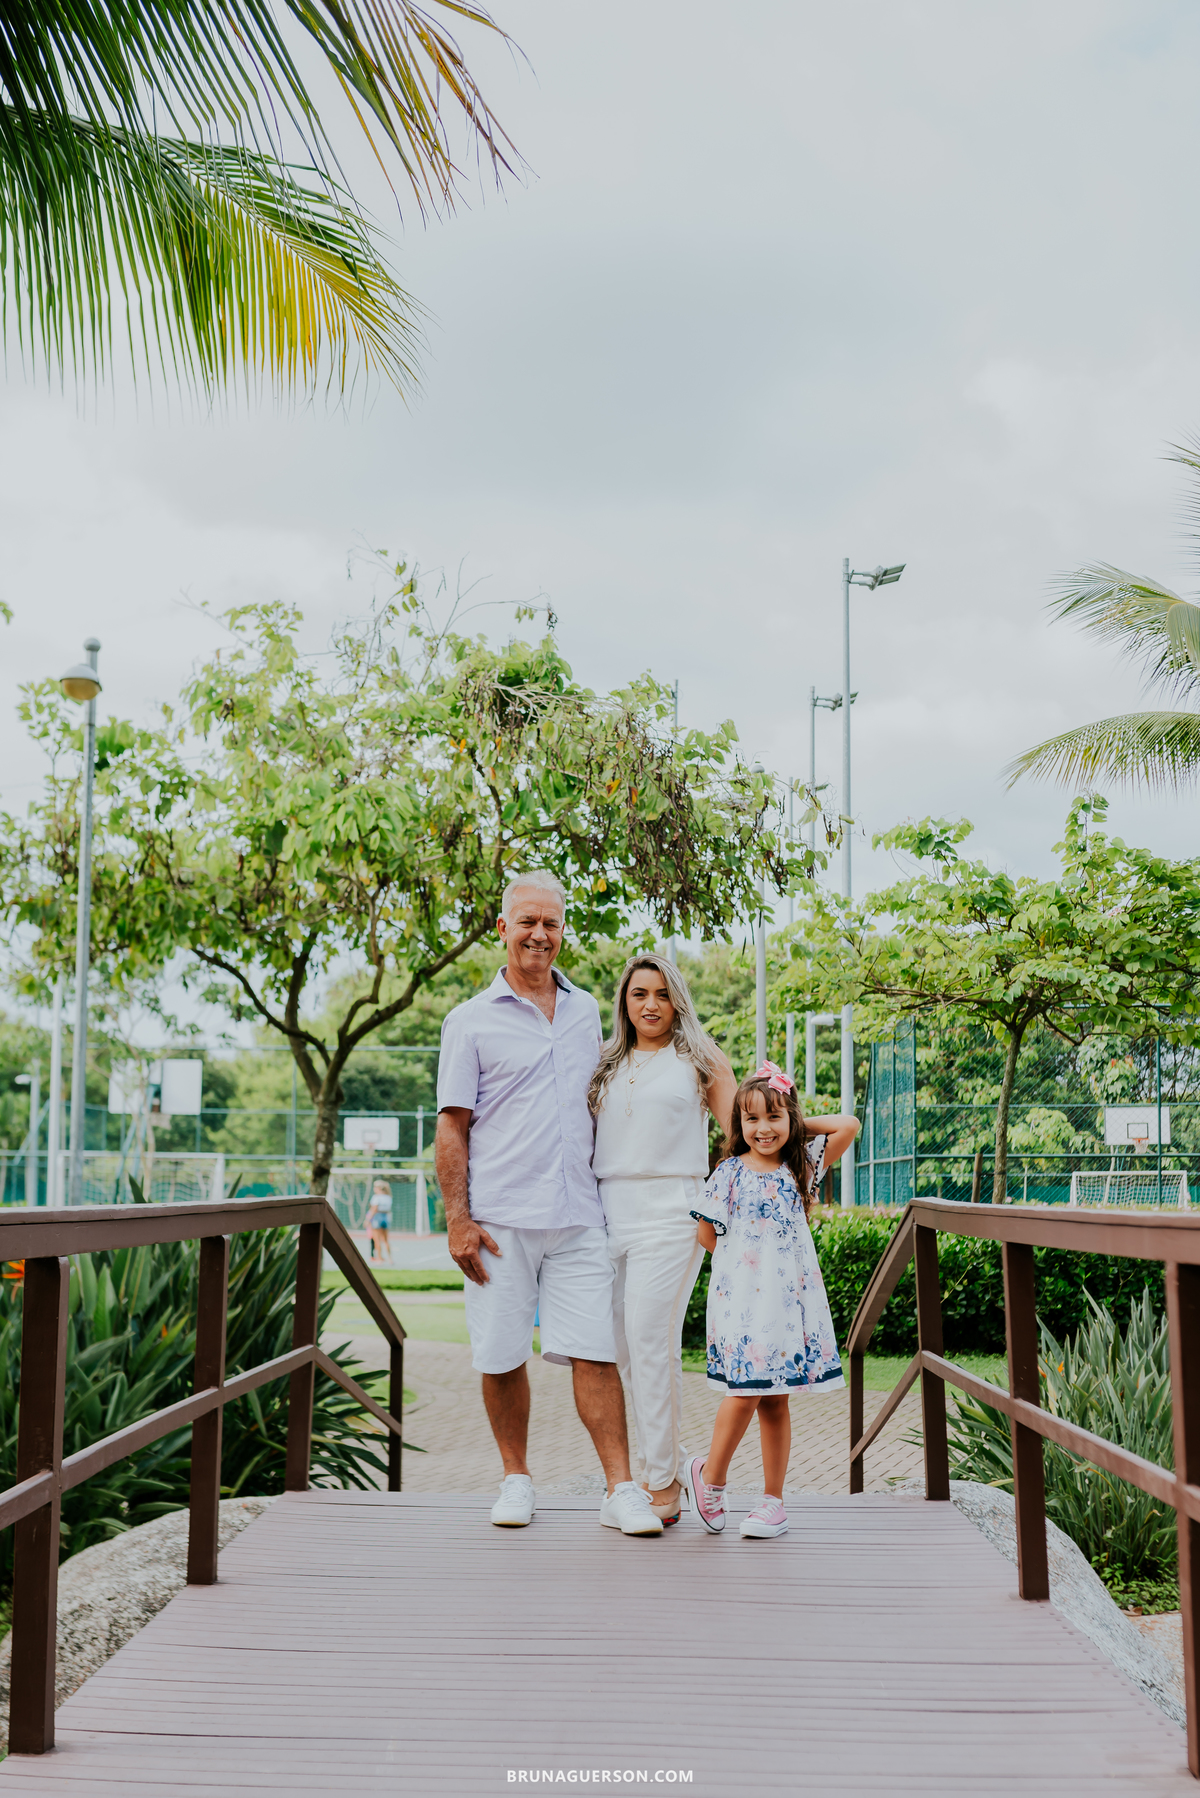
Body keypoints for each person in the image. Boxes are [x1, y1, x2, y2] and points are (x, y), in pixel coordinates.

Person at [434, 871, 663, 1536]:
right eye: (527, 922)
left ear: (563, 932)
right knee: (502, 1354)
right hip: (500, 1221)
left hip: (580, 1216)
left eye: (551, 924)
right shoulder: (468, 1021)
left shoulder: (591, 1009)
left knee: (595, 1352)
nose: (540, 934)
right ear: (501, 930)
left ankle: (622, 1489)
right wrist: (458, 1220)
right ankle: (516, 1479)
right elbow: (452, 1126)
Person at [589, 954, 736, 1523]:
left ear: (678, 1000)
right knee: (619, 1352)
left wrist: (718, 1215)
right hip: (608, 1213)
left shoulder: (699, 1059)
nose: (650, 1005)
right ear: (624, 1002)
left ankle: (663, 1486)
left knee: (651, 1344)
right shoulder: (605, 1061)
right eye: (638, 994)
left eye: (662, 994)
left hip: (672, 1212)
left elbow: (738, 1139)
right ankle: (644, 1476)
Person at [685, 1061, 857, 1540]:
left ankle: (772, 1503)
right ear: (739, 1125)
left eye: (774, 1118)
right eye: (751, 1119)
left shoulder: (802, 1164)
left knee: (776, 1401)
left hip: (788, 1305)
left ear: (791, 1121)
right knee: (744, 1392)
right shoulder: (728, 1173)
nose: (763, 1129)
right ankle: (710, 1479)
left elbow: (849, 1125)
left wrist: (798, 1121)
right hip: (743, 1303)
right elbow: (706, 1236)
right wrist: (748, 1267)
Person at [365, 1177, 393, 1265]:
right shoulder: (388, 1197)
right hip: (386, 1217)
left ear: (378, 1188)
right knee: (385, 1240)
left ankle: (379, 1259)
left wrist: (367, 1220)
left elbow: (374, 1209)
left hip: (377, 1218)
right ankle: (389, 1259)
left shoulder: (376, 1197)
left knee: (377, 1240)